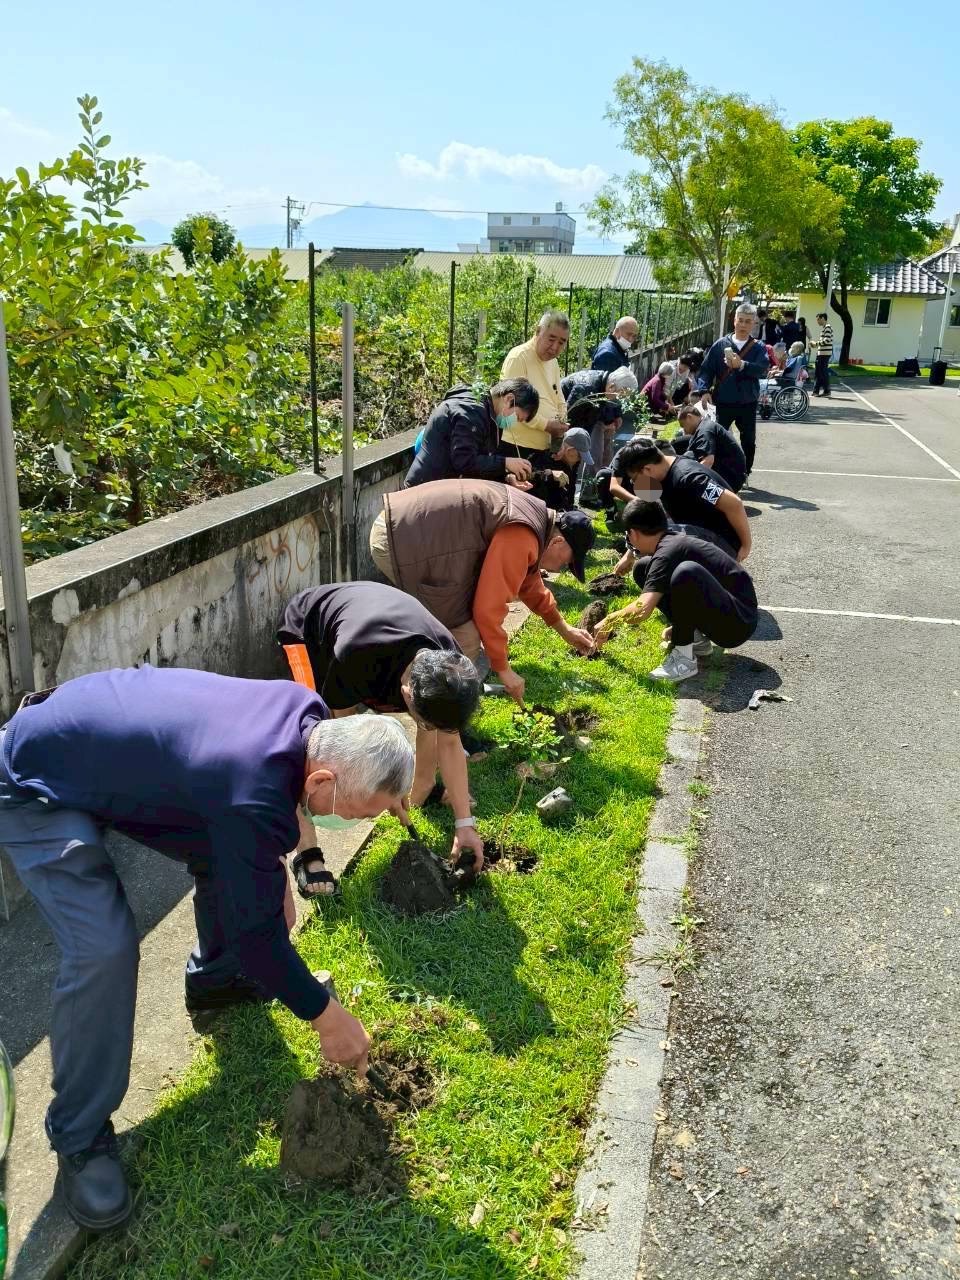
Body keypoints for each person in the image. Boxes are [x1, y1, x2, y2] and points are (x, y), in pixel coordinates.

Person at [0, 667, 415, 1230]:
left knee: (238, 864)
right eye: (360, 812)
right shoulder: (251, 791)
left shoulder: (304, 715)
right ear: (320, 781)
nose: (354, 823)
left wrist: (266, 874)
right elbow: (259, 930)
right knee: (104, 946)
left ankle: (217, 979)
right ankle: (79, 1134)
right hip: (33, 780)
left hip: (94, 740)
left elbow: (251, 815)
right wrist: (328, 1018)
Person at [277, 582, 483, 867]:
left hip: (371, 618)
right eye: (424, 723)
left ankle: (423, 789)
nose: (429, 730)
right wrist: (380, 788)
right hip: (308, 628)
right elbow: (348, 739)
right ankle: (307, 853)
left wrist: (465, 823)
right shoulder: (356, 656)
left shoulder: (450, 669)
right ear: (407, 694)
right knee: (310, 738)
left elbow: (448, 743)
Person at [368, 479, 596, 704]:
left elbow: (529, 582)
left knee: (451, 633)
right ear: (557, 543)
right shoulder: (522, 533)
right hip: (399, 538)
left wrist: (564, 629)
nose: (560, 569)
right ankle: (436, 710)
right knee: (464, 637)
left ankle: (436, 696)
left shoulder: (536, 519)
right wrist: (503, 669)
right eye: (567, 563)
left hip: (404, 526)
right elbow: (488, 609)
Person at [594, 500, 758, 682]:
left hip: (738, 624)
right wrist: (682, 626)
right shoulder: (670, 540)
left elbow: (642, 610)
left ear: (633, 533)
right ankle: (694, 639)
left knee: (685, 573)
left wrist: (610, 620)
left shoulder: (667, 551)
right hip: (733, 611)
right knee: (643, 568)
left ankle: (684, 659)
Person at [610, 439, 752, 560]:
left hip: (723, 542)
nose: (635, 484)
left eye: (635, 479)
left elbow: (733, 503)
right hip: (700, 533)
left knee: (662, 537)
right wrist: (630, 555)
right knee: (650, 549)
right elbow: (657, 518)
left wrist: (745, 546)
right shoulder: (664, 474)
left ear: (647, 469)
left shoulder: (689, 479)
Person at [404, 379, 539, 489]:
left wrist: (507, 478)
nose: (514, 424)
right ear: (509, 399)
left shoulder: (490, 415)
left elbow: (481, 461)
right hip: (425, 491)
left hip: (443, 489)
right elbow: (464, 461)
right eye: (517, 417)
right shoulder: (471, 411)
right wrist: (505, 463)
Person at [696, 302, 769, 480]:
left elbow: (762, 368)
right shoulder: (721, 344)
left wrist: (742, 365)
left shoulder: (758, 347)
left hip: (747, 402)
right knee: (718, 439)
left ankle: (745, 472)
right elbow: (706, 370)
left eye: (748, 321)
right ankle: (719, 472)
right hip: (723, 401)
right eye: (740, 320)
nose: (743, 325)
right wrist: (704, 390)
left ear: (753, 324)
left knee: (748, 441)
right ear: (734, 320)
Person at [499, 311, 571, 455]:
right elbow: (513, 406)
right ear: (538, 331)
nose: (555, 347)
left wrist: (562, 426)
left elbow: (558, 397)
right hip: (517, 445)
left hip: (545, 445)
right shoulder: (519, 357)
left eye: (561, 342)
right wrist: (547, 425)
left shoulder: (553, 362)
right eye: (551, 339)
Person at [560, 365, 638, 476]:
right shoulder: (586, 388)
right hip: (563, 422)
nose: (619, 402)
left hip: (581, 423)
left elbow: (591, 417)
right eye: (620, 397)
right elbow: (567, 418)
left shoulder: (603, 388)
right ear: (611, 387)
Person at [675, 406, 746, 492]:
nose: (684, 430)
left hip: (729, 480)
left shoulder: (705, 430)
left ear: (689, 417)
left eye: (683, 425)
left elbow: (708, 461)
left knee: (691, 491)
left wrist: (688, 479)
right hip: (729, 475)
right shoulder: (704, 426)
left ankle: (722, 501)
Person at [535, 425, 595, 511]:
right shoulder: (545, 456)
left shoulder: (571, 462)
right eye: (579, 456)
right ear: (570, 450)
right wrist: (550, 475)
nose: (580, 460)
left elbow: (570, 491)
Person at [814, 312, 834, 397]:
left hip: (824, 354)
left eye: (818, 319)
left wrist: (816, 344)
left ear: (823, 318)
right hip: (822, 353)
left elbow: (827, 340)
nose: (817, 321)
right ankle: (817, 391)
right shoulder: (825, 328)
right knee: (819, 372)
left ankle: (826, 390)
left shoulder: (828, 327)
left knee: (822, 372)